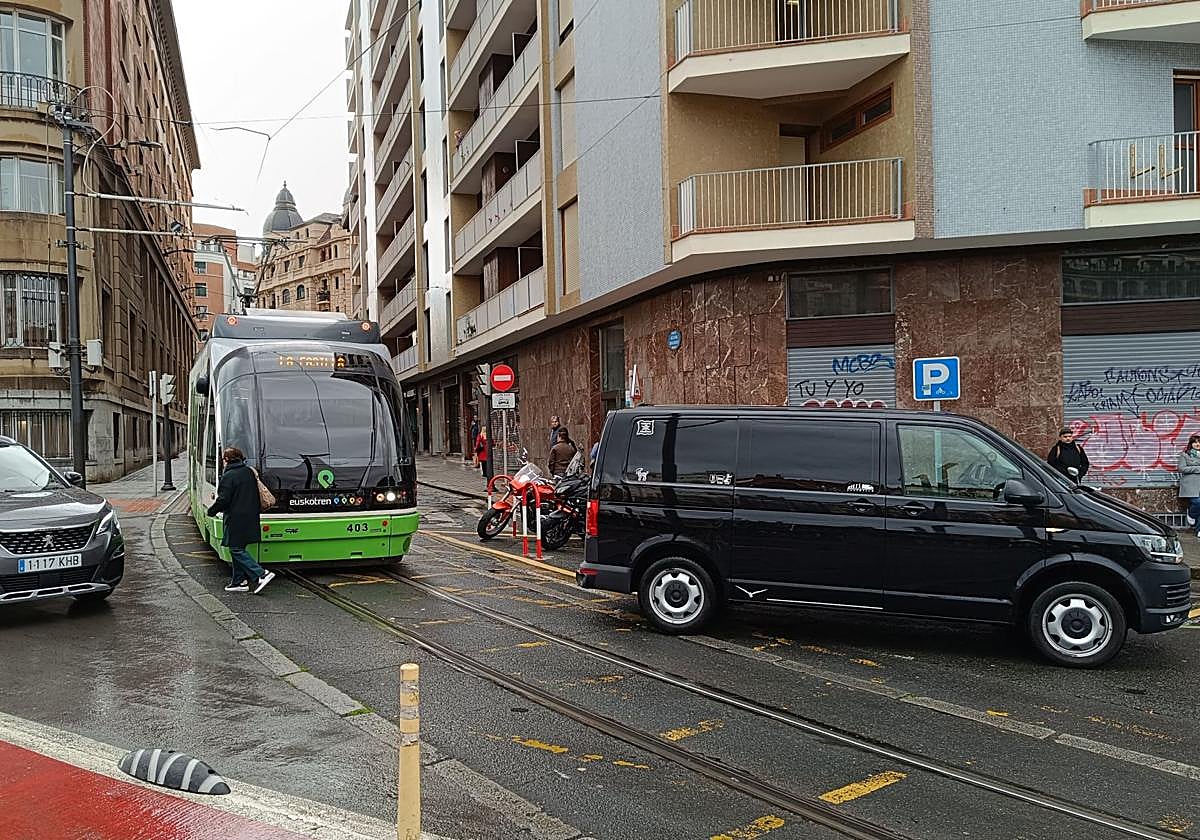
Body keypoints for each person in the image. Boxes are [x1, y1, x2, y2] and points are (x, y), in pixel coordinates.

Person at [207, 447, 275, 594]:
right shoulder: (248, 471)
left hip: (236, 518)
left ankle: (261, 574)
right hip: (251, 516)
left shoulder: (229, 476)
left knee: (235, 549)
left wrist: (211, 511)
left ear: (226, 460)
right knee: (239, 548)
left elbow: (223, 500)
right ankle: (239, 582)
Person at [1178, 434, 1200, 535]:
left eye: (1199, 442)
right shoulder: (1185, 455)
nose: (1197, 444)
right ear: (1191, 444)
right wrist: (1197, 469)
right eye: (1195, 442)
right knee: (1197, 502)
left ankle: (1198, 530)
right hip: (1191, 485)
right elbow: (1181, 468)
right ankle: (1191, 514)